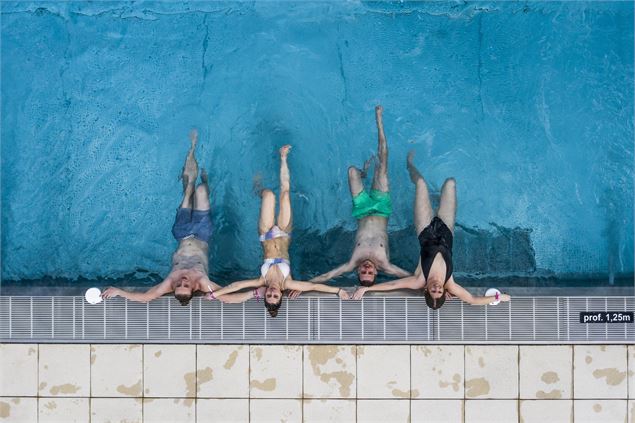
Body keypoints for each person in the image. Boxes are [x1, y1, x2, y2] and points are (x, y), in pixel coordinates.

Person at [352, 151, 511, 308]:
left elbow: (393, 285)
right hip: (446, 229)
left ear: (427, 290)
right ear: (443, 292)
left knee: (421, 183)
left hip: (425, 228)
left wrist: (367, 289)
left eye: (433, 291)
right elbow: (472, 300)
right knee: (450, 183)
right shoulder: (450, 283)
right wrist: (499, 297)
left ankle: (409, 165)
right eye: (439, 291)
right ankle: (435, 200)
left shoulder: (419, 280)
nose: (437, 288)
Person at [207, 145, 349, 317]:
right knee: (285, 195)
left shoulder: (262, 280)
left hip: (265, 233)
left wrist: (215, 294)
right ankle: (283, 157)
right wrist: (338, 290)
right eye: (275, 296)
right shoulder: (288, 283)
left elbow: (236, 286)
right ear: (281, 295)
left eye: (269, 295)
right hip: (284, 233)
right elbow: (314, 286)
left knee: (268, 195)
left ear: (265, 294)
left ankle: (257, 187)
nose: (272, 292)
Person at [101, 130, 219, 305]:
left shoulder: (169, 283)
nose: (182, 281)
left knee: (188, 190)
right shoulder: (204, 283)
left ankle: (192, 147)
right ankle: (206, 179)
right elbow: (229, 294)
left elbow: (146, 298)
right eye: (185, 285)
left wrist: (118, 291)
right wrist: (258, 292)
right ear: (193, 289)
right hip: (202, 234)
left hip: (182, 233)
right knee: (201, 190)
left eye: (179, 285)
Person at [305, 105, 410, 289]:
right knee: (383, 165)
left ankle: (363, 173)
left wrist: (300, 286)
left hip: (361, 210)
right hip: (381, 208)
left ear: (357, 271)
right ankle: (379, 121)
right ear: (377, 272)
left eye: (364, 272)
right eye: (370, 273)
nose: (367, 269)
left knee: (352, 171)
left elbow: (328, 275)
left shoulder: (353, 262)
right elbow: (413, 279)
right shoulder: (386, 265)